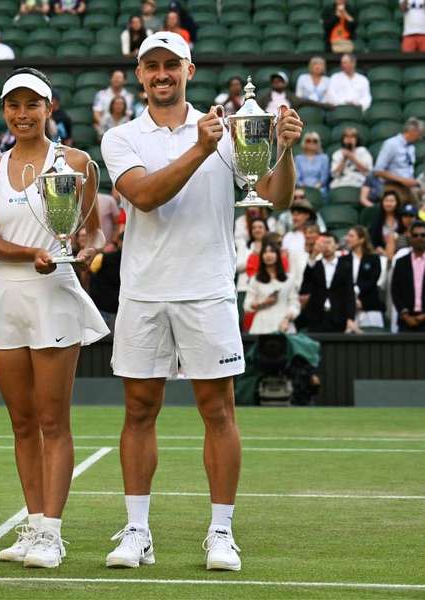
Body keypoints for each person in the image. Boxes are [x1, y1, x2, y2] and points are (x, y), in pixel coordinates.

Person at [100, 31, 301, 572]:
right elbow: (144, 195)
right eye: (152, 66)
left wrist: (284, 148)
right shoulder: (121, 137)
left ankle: (220, 533)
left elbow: (276, 196)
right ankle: (138, 531)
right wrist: (199, 147)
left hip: (208, 290)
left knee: (219, 412)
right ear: (140, 75)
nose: (161, 74)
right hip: (143, 292)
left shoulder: (227, 131)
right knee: (139, 411)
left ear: (189, 70)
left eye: (171, 65)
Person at [0, 68, 109, 569]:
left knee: (54, 420)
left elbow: (93, 233)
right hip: (8, 295)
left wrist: (85, 250)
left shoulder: (76, 163)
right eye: (14, 105)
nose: (22, 114)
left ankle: (52, 532)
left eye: (33, 104)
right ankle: (33, 526)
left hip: (55, 294)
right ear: (5, 111)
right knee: (22, 423)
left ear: (50, 108)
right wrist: (32, 253)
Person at [298, 233, 357, 333]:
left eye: (329, 242)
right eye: (323, 243)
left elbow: (349, 293)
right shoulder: (315, 266)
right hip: (317, 316)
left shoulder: (345, 266)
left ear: (336, 245)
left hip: (339, 316)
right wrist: (313, 256)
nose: (326, 246)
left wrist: (350, 318)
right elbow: (305, 286)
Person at [243, 241, 300, 334]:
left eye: (272, 252)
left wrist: (287, 319)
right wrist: (263, 302)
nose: (268, 255)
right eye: (265, 252)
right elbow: (247, 305)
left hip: (284, 324)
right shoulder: (255, 279)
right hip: (262, 325)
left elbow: (294, 304)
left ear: (277, 255)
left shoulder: (289, 279)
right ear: (261, 256)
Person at [373, 118, 423, 206]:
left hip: (409, 189)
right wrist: (403, 180)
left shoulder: (411, 148)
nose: (419, 138)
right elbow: (378, 171)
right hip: (393, 188)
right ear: (412, 131)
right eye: (419, 135)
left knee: (418, 213)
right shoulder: (391, 144)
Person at [343, 225, 384, 330]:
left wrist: (356, 291)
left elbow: (372, 280)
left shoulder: (374, 259)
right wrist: (352, 299)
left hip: (370, 306)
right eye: (348, 235)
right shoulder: (343, 260)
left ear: (361, 239)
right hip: (349, 309)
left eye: (351, 236)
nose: (347, 239)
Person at [391, 220, 425, 332]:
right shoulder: (401, 262)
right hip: (405, 321)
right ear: (410, 237)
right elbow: (395, 290)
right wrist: (405, 315)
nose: (419, 238)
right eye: (415, 235)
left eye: (423, 235)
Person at [330, 127, 372, 194]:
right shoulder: (337, 154)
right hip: (340, 184)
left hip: (359, 183)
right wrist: (344, 159)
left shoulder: (363, 151)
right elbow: (334, 174)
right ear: (343, 140)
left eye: (352, 137)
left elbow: (367, 172)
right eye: (346, 137)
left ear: (356, 139)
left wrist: (352, 158)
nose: (349, 139)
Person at [295, 132, 330, 197]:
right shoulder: (298, 158)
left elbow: (324, 178)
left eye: (315, 141)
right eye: (308, 141)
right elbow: (297, 178)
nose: (311, 143)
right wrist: (304, 187)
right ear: (304, 143)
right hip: (302, 189)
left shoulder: (324, 158)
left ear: (318, 143)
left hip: (319, 189)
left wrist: (316, 187)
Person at [369, 190, 403, 257]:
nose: (388, 204)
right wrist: (380, 250)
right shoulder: (377, 220)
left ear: (397, 203)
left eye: (392, 201)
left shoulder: (402, 218)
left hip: (400, 251)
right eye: (386, 201)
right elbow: (374, 240)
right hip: (381, 253)